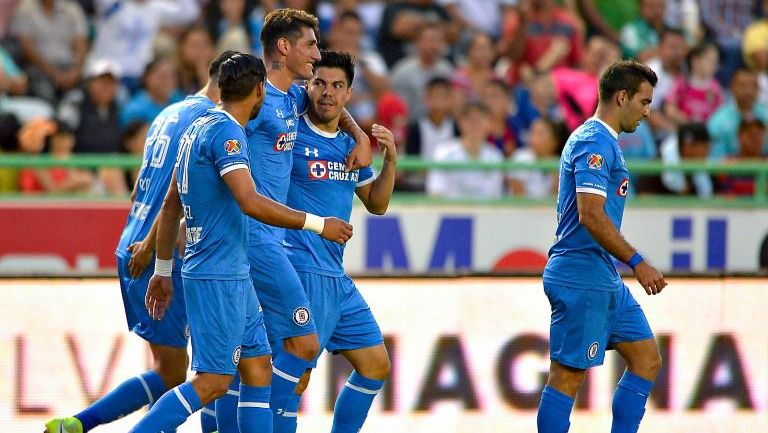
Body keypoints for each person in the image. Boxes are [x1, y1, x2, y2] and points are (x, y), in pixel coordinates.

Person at [130, 52, 353, 433]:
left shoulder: (198, 126)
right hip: (220, 274)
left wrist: (164, 269)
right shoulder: (228, 134)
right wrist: (318, 224)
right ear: (258, 90)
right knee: (213, 382)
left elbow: (170, 205)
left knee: (258, 367)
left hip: (230, 271)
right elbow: (249, 201)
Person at [43, 50, 239, 433]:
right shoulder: (210, 121)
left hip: (132, 239)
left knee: (174, 371)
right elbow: (177, 191)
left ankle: (76, 425)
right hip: (159, 250)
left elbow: (138, 191)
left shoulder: (168, 113)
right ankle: (83, 425)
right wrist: (154, 246)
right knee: (211, 370)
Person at [236, 9, 372, 433]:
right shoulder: (255, 100)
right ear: (284, 47)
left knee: (248, 364)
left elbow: (329, 103)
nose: (317, 53)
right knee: (270, 359)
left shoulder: (294, 97)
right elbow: (217, 131)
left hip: (278, 244)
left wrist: (362, 136)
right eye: (311, 44)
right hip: (259, 242)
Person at [538, 60, 667, 433]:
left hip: (602, 274)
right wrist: (637, 261)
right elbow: (590, 215)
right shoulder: (593, 141)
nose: (647, 111)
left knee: (646, 358)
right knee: (566, 377)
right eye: (643, 102)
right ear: (621, 96)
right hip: (581, 273)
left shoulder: (606, 142)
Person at [282, 49, 395, 433]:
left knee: (376, 364)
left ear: (349, 94)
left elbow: (377, 204)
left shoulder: (350, 147)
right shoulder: (291, 129)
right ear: (307, 86)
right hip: (300, 266)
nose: (327, 93)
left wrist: (389, 161)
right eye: (320, 83)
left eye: (337, 86)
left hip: (335, 275)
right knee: (296, 377)